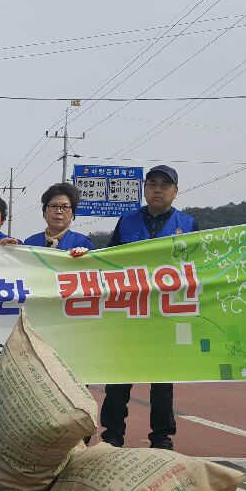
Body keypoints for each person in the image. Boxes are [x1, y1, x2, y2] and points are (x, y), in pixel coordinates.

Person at [95, 165, 197, 451]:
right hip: (128, 314)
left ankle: (162, 436)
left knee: (162, 381)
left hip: (166, 315)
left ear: (175, 191)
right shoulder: (126, 222)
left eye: (165, 185)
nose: (158, 190)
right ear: (144, 189)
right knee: (118, 379)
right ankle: (112, 434)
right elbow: (108, 261)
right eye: (152, 184)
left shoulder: (188, 224)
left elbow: (202, 267)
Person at [1, 183, 95, 251]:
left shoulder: (82, 243)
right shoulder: (31, 243)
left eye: (65, 207)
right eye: (54, 206)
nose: (59, 211)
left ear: (72, 213)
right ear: (44, 211)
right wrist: (7, 250)